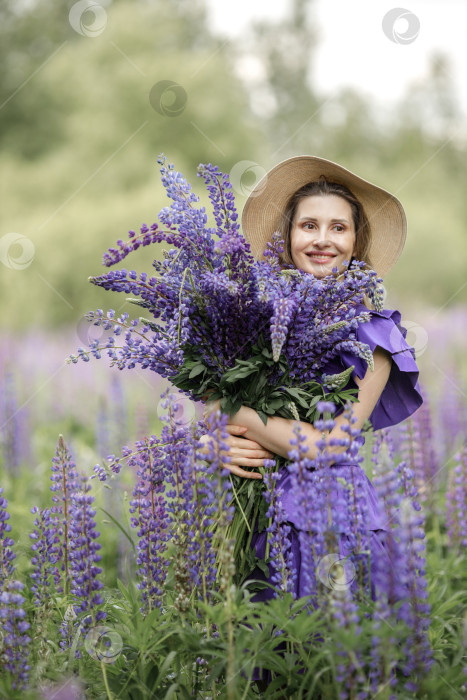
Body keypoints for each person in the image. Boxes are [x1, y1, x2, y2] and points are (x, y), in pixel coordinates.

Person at [201, 155, 423, 602]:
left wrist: (233, 411)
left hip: (331, 523)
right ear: (287, 237)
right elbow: (209, 411)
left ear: (356, 241)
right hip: (249, 524)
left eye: (339, 228)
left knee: (324, 659)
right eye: (309, 226)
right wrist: (211, 443)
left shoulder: (374, 334)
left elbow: (330, 445)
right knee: (255, 660)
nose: (323, 240)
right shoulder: (251, 322)